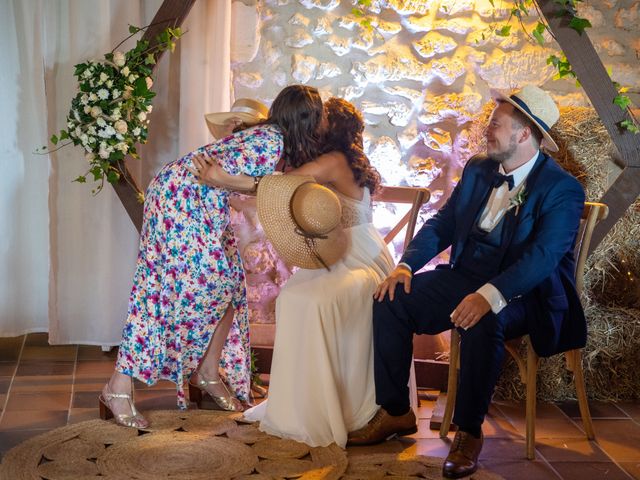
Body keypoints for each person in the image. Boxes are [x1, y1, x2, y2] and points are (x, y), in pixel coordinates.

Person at [347, 85, 586, 479]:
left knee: (484, 318)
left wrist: (490, 296)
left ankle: (469, 432)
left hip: (525, 292)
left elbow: (542, 258)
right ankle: (395, 412)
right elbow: (443, 223)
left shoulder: (561, 189)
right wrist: (407, 265)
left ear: (524, 134)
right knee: (391, 299)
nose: (485, 130)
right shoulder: (478, 168)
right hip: (465, 276)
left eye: (495, 124)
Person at [99, 85, 325, 429]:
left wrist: (227, 181)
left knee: (231, 284)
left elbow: (239, 183)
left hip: (194, 201)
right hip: (179, 200)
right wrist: (230, 181)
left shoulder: (269, 138)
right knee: (165, 291)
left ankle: (206, 371)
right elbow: (264, 187)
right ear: (307, 120)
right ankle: (117, 387)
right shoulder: (271, 140)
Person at [192, 98, 394, 448]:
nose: (316, 121)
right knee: (292, 295)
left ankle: (332, 406)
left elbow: (279, 185)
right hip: (333, 254)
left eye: (322, 118)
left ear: (333, 128)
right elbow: (277, 181)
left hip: (359, 259)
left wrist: (221, 178)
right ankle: (298, 402)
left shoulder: (333, 161)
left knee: (309, 301)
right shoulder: (321, 158)